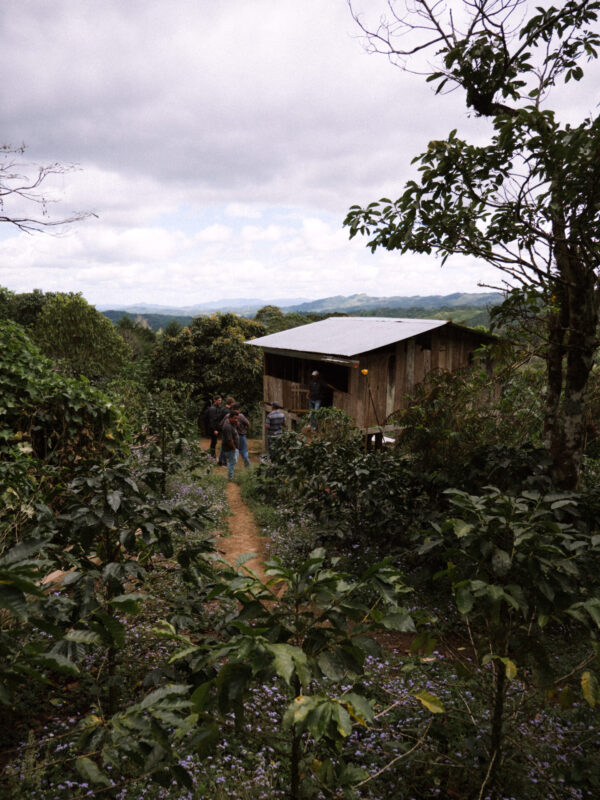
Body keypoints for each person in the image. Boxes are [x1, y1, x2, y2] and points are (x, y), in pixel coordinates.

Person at [221, 408, 240, 480]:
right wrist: (234, 448)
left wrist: (236, 423)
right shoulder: (227, 426)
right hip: (230, 448)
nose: (236, 420)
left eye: (237, 418)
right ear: (230, 417)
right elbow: (230, 440)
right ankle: (230, 478)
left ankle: (230, 476)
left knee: (233, 462)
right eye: (235, 418)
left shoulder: (231, 423)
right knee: (232, 463)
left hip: (232, 448)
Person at [217, 396, 236, 466]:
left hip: (222, 427)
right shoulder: (227, 411)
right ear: (231, 403)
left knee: (224, 445)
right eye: (233, 403)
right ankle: (223, 461)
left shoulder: (222, 409)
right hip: (226, 429)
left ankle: (221, 461)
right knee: (225, 445)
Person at [232, 403, 251, 467]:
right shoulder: (241, 416)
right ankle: (248, 464)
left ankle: (232, 465)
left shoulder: (230, 416)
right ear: (239, 409)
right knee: (244, 450)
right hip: (241, 435)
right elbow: (248, 423)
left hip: (233, 436)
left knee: (234, 451)